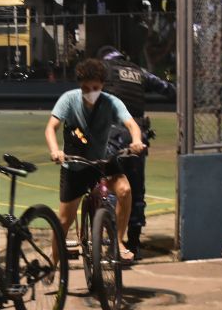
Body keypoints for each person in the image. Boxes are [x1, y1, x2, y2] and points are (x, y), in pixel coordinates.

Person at [44, 58, 146, 265]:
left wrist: (136, 140)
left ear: (102, 85)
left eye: (95, 88)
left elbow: (132, 125)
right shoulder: (68, 100)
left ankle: (117, 241)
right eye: (85, 88)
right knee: (64, 221)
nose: (90, 92)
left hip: (101, 161)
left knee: (125, 190)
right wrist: (55, 150)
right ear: (79, 85)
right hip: (75, 164)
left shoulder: (111, 102)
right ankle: (52, 265)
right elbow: (51, 128)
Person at [96, 46, 176, 257]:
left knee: (111, 185)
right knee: (136, 190)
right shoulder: (139, 72)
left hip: (110, 135)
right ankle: (134, 242)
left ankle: (111, 238)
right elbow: (167, 88)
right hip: (136, 137)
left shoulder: (102, 68)